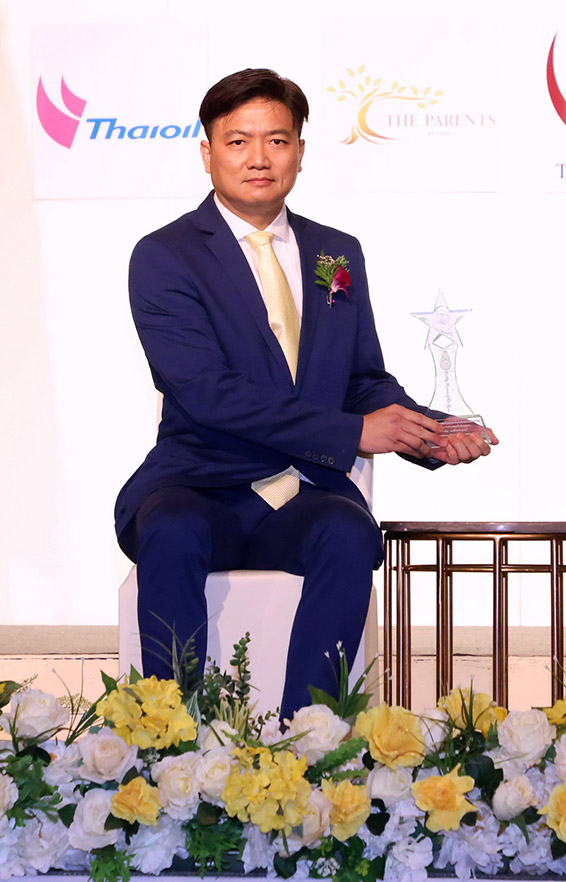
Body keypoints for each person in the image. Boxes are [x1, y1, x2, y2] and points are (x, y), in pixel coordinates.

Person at [115, 68, 497, 720]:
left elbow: (361, 379)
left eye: (277, 140)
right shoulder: (165, 255)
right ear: (207, 152)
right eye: (238, 141)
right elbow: (208, 393)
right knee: (172, 529)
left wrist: (430, 431)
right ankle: (168, 743)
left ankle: (312, 743)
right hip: (200, 485)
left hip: (301, 492)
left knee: (348, 532)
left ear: (300, 150)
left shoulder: (334, 252)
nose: (258, 158)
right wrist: (352, 434)